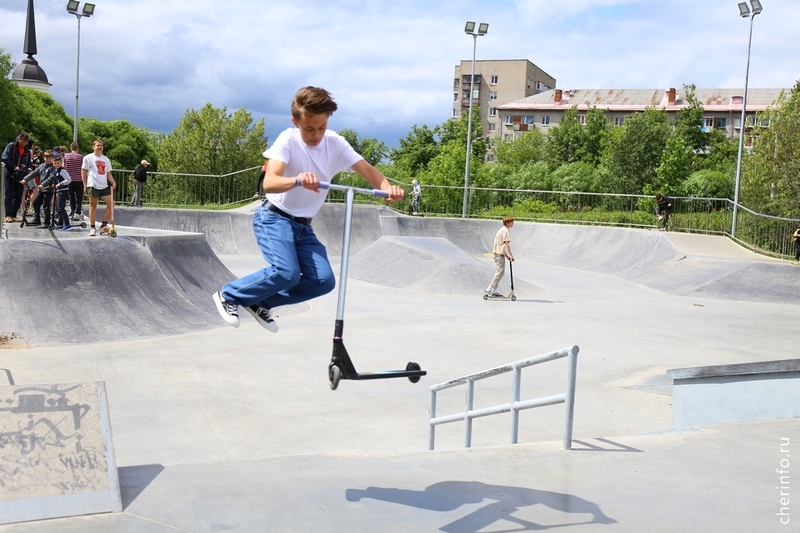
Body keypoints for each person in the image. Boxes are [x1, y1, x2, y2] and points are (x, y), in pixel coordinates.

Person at [212, 86, 404, 332]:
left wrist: (388, 187)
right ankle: (229, 295)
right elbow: (270, 182)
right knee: (286, 273)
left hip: (304, 228)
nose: (316, 135)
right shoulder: (288, 140)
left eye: (322, 128)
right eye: (309, 129)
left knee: (323, 281)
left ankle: (262, 301)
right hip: (274, 218)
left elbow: (367, 169)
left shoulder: (335, 143)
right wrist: (298, 180)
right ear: (296, 122)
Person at [81, 139, 117, 236]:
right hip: (92, 184)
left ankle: (103, 225)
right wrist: (85, 185)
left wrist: (113, 182)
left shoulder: (106, 159)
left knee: (111, 204)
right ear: (93, 147)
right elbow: (84, 172)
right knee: (93, 205)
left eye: (101, 145)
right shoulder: (88, 158)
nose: (100, 147)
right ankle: (92, 227)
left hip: (104, 184)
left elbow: (108, 172)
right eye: (98, 145)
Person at [21, 149, 58, 228]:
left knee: (46, 206)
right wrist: (25, 179)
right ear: (44, 158)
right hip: (41, 190)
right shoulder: (42, 166)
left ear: (52, 158)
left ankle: (47, 222)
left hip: (48, 190)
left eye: (49, 158)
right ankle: (37, 219)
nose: (48, 160)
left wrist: (43, 185)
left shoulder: (53, 168)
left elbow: (51, 178)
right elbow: (34, 173)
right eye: (46, 158)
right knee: (35, 203)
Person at [3, 132, 32, 223]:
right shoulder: (11, 146)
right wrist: (14, 166)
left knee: (18, 196)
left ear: (27, 142)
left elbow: (29, 163)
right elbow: (5, 158)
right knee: (9, 195)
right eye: (21, 140)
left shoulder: (27, 151)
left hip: (21, 175)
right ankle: (8, 215)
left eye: (25, 141)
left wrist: (29, 168)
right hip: (10, 173)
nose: (22, 143)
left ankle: (14, 214)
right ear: (18, 139)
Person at [485, 216, 515, 297]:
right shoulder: (505, 230)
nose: (513, 223)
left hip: (499, 252)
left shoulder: (503, 229)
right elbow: (506, 244)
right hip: (498, 254)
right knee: (500, 272)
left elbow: (500, 245)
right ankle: (489, 289)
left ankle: (494, 290)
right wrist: (511, 255)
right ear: (507, 223)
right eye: (512, 222)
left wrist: (506, 255)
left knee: (500, 272)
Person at [52, 156, 73, 231]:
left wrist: (60, 184)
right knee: (58, 207)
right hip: (59, 190)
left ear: (61, 163)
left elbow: (69, 180)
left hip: (63, 190)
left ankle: (67, 223)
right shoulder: (56, 171)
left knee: (61, 207)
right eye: (55, 163)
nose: (56, 164)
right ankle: (60, 223)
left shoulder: (62, 171)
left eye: (58, 163)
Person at [64, 142, 84, 220]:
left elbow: (64, 167)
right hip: (79, 179)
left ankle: (72, 212)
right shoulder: (81, 157)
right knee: (79, 197)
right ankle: (77, 212)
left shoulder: (66, 156)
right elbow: (83, 168)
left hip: (69, 179)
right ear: (78, 149)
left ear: (70, 148)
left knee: (71, 197)